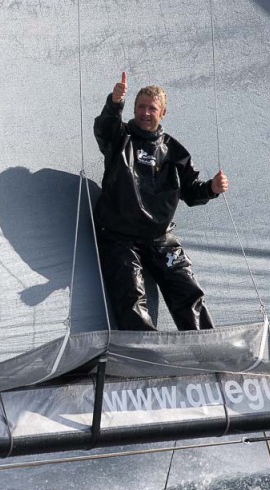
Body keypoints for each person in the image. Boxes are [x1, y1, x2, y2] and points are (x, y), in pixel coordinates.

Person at [93, 72, 228, 331]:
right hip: (119, 237)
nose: (145, 113)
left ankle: (206, 349)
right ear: (134, 109)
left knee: (188, 291)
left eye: (152, 108)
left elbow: (191, 192)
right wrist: (114, 103)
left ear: (163, 113)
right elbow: (103, 128)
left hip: (160, 238)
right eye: (140, 107)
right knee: (132, 297)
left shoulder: (175, 152)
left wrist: (211, 189)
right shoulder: (119, 138)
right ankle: (144, 353)